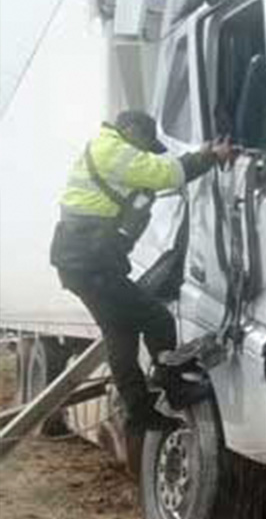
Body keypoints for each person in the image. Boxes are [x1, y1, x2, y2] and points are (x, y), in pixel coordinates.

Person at [49, 110, 237, 433]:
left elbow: (155, 175)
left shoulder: (105, 148)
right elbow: (163, 173)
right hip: (91, 263)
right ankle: (172, 384)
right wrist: (208, 158)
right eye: (147, 145)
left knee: (120, 334)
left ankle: (140, 413)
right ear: (131, 131)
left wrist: (198, 155)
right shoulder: (111, 149)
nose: (147, 152)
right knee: (157, 319)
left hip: (82, 262)